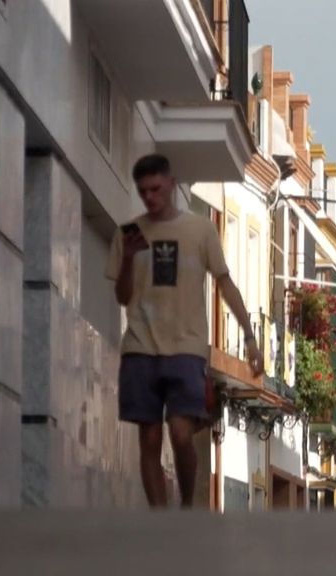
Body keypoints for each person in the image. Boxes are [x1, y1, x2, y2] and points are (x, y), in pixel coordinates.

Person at [106, 153, 264, 509]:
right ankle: (163, 522)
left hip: (187, 349)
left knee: (180, 432)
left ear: (171, 185)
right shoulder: (128, 234)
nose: (150, 197)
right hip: (141, 349)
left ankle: (188, 504)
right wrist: (129, 258)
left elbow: (225, 283)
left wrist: (251, 339)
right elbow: (122, 295)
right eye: (143, 191)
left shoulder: (200, 230)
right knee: (148, 437)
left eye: (156, 189)